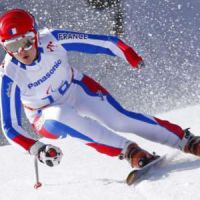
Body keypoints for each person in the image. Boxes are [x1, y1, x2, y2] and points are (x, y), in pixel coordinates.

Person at [0, 8, 199, 169]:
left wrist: (126, 52)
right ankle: (129, 151)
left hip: (74, 88)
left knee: (119, 120)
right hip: (44, 115)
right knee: (61, 115)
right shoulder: (10, 73)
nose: (21, 51)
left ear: (34, 35)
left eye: (25, 42)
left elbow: (101, 42)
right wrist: (37, 148)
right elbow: (10, 126)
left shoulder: (52, 39)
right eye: (12, 46)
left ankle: (185, 140)